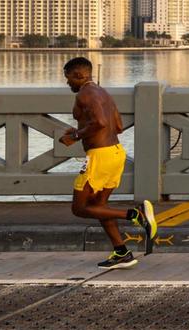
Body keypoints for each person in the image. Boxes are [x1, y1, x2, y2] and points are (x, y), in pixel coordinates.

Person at [58, 57, 156, 269]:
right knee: (98, 207)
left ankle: (134, 215)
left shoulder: (85, 93)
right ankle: (121, 252)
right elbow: (118, 126)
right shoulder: (103, 93)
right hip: (115, 152)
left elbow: (100, 123)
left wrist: (75, 136)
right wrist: (79, 131)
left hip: (100, 157)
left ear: (79, 75)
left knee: (80, 208)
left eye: (68, 79)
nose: (68, 84)